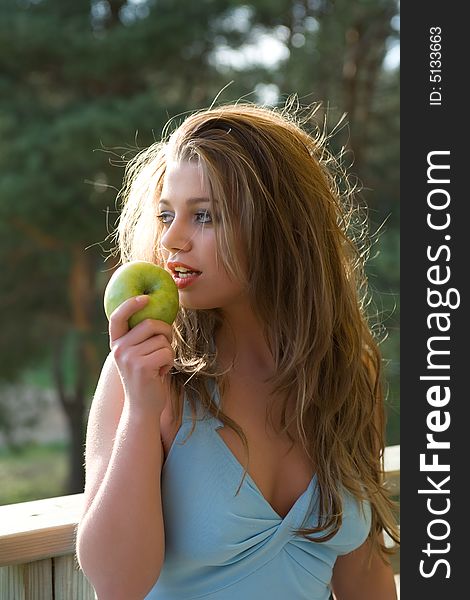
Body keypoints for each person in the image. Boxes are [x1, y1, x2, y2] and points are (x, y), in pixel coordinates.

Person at [76, 101, 400, 600]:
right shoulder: (143, 372)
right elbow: (117, 585)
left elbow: (364, 577)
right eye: (166, 214)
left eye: (203, 216)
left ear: (279, 227)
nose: (172, 240)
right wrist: (142, 410)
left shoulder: (344, 378)